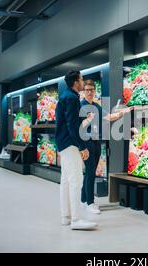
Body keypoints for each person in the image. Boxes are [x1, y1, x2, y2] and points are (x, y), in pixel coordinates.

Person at [80, 79, 131, 214]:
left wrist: (123, 113)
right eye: (87, 90)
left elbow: (109, 117)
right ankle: (90, 203)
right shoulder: (81, 106)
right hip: (86, 142)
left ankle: (84, 200)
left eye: (92, 90)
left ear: (95, 91)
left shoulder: (96, 106)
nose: (90, 92)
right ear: (83, 91)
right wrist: (88, 120)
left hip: (97, 141)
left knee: (90, 172)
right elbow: (78, 127)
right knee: (90, 172)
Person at [56, 71, 97, 230]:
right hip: (70, 143)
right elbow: (72, 127)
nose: (83, 82)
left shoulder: (65, 96)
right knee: (76, 180)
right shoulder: (72, 98)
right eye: (81, 79)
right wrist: (82, 146)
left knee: (66, 180)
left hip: (63, 143)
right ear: (75, 82)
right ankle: (76, 219)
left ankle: (66, 216)